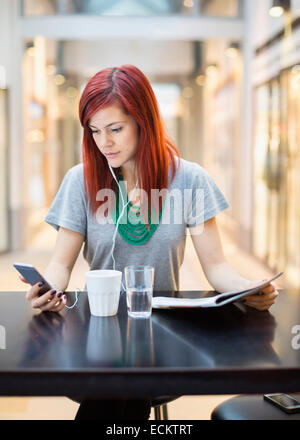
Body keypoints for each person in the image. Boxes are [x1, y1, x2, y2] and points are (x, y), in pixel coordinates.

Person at [19, 64, 279, 420]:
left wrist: (250, 288)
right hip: (100, 325)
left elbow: (217, 267)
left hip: (163, 331)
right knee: (118, 385)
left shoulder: (189, 180)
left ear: (144, 121)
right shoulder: (81, 180)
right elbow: (61, 264)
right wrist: (48, 290)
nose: (103, 143)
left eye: (115, 129)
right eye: (94, 131)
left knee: (119, 387)